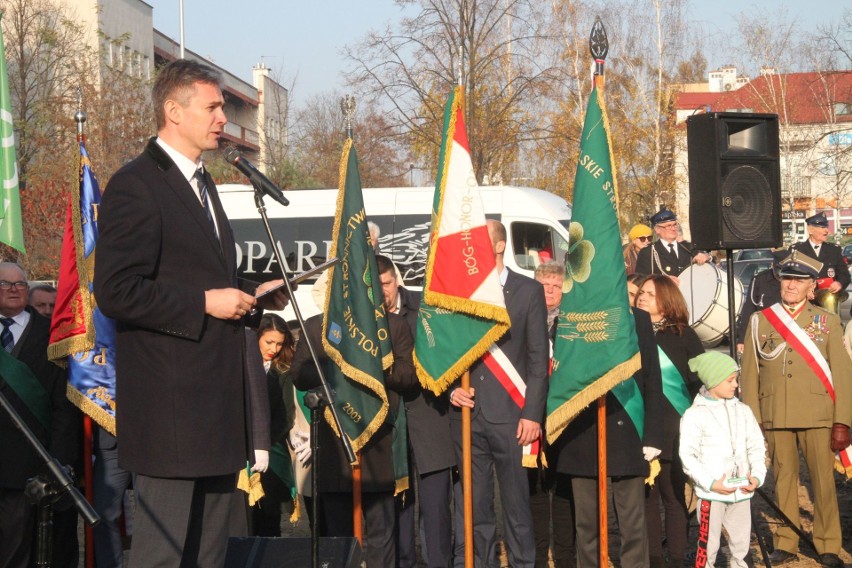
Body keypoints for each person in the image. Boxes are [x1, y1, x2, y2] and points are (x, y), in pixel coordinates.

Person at [93, 59, 287, 567]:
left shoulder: (203, 185)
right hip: (172, 416)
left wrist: (250, 293)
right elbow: (115, 291)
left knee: (209, 556)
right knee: (164, 557)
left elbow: (191, 276)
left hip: (219, 413)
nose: (223, 117)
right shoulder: (136, 184)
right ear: (174, 111)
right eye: (213, 106)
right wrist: (207, 302)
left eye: (222, 106)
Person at [740, 251, 851, 568]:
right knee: (783, 480)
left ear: (811, 286)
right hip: (775, 414)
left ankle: (828, 543)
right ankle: (786, 541)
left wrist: (843, 420)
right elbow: (750, 375)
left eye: (799, 280)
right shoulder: (760, 320)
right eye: (787, 278)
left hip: (819, 414)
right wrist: (753, 419)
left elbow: (843, 374)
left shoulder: (826, 321)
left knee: (823, 483)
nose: (791, 285)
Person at [449, 219, 549, 568]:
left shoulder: (527, 291)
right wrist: (451, 391)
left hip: (514, 417)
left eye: (481, 239)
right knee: (475, 509)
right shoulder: (461, 291)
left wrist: (533, 414)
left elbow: (538, 358)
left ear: (499, 245)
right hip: (468, 416)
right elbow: (447, 351)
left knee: (517, 508)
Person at [551, 270, 664, 568]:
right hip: (582, 432)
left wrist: (652, 435)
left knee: (632, 523)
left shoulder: (638, 320)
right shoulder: (570, 318)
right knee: (586, 524)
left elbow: (652, 380)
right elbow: (561, 377)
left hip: (628, 427)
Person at [291, 307, 417, 566]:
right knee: (339, 538)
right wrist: (341, 367)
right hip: (335, 449)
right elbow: (300, 375)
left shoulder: (393, 325)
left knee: (382, 536)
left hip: (379, 446)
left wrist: (369, 368)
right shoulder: (315, 326)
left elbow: (408, 375)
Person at [0, 262, 81, 568]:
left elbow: (63, 408)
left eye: (20, 284)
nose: (13, 289)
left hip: (26, 461)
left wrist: (57, 459)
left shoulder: (52, 336)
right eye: (5, 284)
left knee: (16, 549)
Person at [377, 255, 455, 568]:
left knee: (436, 509)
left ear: (397, 281)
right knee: (399, 507)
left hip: (429, 420)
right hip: (390, 428)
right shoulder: (366, 318)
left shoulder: (424, 308)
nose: (382, 290)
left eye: (386, 283)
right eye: (376, 285)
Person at [636, 274, 704, 568]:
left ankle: (676, 558)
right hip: (640, 427)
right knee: (645, 498)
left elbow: (698, 381)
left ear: (667, 300)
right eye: (641, 292)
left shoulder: (683, 335)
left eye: (650, 294)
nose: (642, 297)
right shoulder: (631, 331)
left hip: (675, 429)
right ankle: (653, 560)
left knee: (674, 496)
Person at [679, 352, 766, 568]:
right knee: (708, 545)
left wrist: (756, 476)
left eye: (736, 379)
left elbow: (756, 445)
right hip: (712, 495)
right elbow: (687, 455)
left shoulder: (744, 411)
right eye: (730, 380)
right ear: (713, 380)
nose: (736, 385)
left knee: (741, 545)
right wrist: (710, 483)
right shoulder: (694, 415)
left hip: (742, 492)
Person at [528, 261, 576, 568]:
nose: (550, 290)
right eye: (544, 284)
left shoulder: (572, 324)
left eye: (556, 285)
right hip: (531, 414)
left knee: (562, 489)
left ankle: (564, 556)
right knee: (533, 489)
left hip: (563, 415)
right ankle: (536, 557)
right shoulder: (525, 318)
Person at [251, 313, 307, 537]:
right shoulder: (240, 363)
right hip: (239, 451)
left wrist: (261, 442)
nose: (273, 348)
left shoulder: (284, 370)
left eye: (279, 343)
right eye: (268, 342)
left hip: (272, 450)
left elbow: (285, 415)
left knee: (268, 520)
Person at [790, 212, 851, 314]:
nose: (827, 231)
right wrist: (804, 291)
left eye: (826, 227)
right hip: (805, 302)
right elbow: (790, 277)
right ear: (811, 230)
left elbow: (845, 275)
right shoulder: (797, 250)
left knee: (833, 326)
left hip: (830, 300)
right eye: (822, 227)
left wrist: (839, 283)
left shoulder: (834, 250)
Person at [635, 208, 710, 281]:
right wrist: (664, 281)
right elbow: (641, 281)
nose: (673, 228)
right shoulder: (648, 253)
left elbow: (709, 265)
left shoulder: (689, 248)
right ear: (657, 229)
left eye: (674, 225)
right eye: (668, 226)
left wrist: (706, 256)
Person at [735, 249, 788, 353]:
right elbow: (749, 309)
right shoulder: (759, 280)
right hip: (764, 332)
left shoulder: (794, 280)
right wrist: (742, 339)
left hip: (787, 331)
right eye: (779, 269)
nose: (781, 274)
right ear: (773, 265)